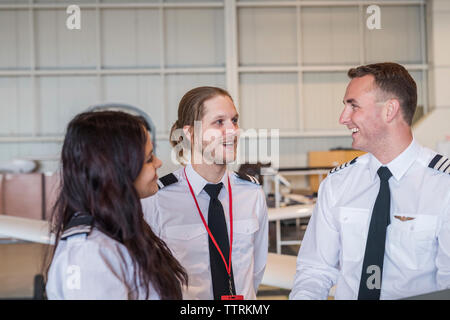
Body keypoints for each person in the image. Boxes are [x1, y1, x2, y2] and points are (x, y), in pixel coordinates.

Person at [290, 62, 450, 300]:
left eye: (353, 106)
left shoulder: (443, 186)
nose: (343, 118)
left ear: (390, 110)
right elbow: (315, 271)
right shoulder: (337, 184)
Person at [142, 86, 268, 300]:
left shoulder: (252, 194)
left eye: (234, 121)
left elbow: (256, 270)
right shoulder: (157, 198)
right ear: (190, 133)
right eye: (219, 122)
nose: (233, 131)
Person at [45, 110, 188, 299]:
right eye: (148, 159)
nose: (159, 163)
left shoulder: (121, 230)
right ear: (114, 170)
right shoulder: (89, 253)